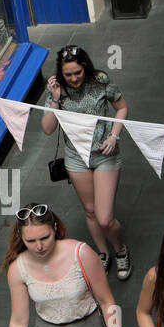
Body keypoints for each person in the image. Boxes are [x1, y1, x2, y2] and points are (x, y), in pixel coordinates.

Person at [41, 45, 132, 280]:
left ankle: (120, 249)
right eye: (68, 74)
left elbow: (121, 107)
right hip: (75, 157)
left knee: (104, 217)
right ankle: (103, 253)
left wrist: (114, 135)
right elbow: (48, 129)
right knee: (90, 212)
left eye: (77, 73)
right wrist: (55, 99)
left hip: (105, 153)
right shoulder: (56, 89)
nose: (73, 79)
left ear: (85, 67)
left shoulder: (101, 80)